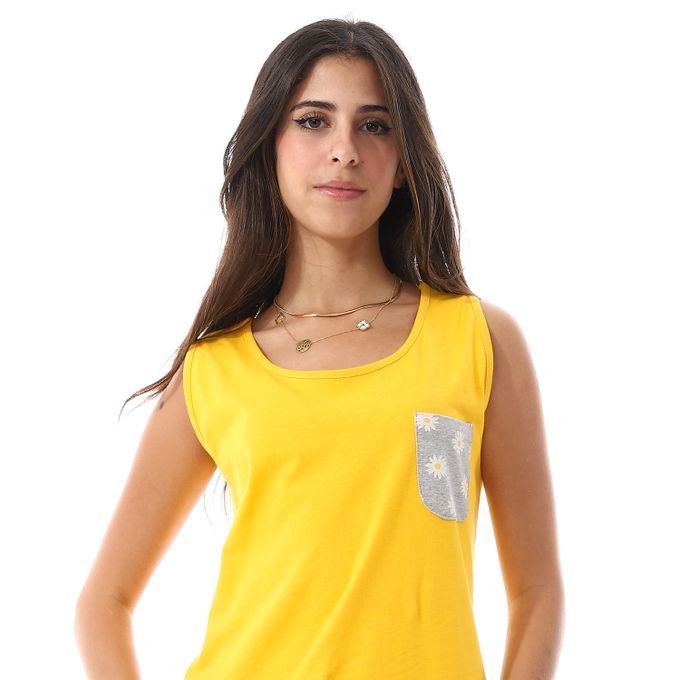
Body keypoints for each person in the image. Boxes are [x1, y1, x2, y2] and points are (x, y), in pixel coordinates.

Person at [74, 17, 564, 680]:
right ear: (270, 150)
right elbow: (104, 602)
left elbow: (536, 591)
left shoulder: (479, 340)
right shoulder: (216, 367)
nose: (344, 150)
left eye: (375, 125)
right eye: (313, 121)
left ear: (403, 162)